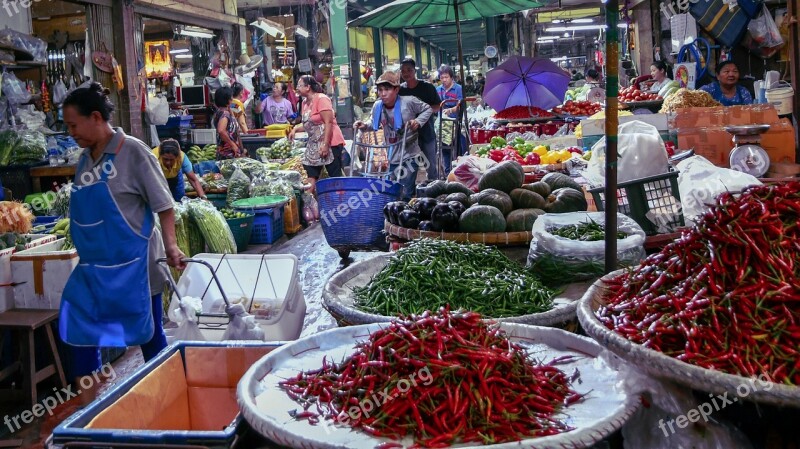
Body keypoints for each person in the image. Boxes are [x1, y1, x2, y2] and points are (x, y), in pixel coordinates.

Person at [59, 83, 185, 401]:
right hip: (97, 270)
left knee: (150, 335)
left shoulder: (134, 152)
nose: (71, 132)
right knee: (82, 335)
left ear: (96, 117)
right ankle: (91, 410)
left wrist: (171, 246)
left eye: (74, 124)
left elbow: (164, 205)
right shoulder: (86, 161)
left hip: (137, 267)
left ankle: (172, 400)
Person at [354, 71, 433, 201]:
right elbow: (373, 122)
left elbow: (427, 109)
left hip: (410, 155)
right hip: (392, 156)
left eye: (387, 89)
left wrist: (418, 122)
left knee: (406, 192)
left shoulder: (408, 102)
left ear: (396, 90)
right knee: (394, 191)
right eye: (380, 90)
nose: (383, 93)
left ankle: (406, 215)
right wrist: (364, 125)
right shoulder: (377, 106)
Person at [289, 75, 346, 194]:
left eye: (299, 85)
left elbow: (328, 122)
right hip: (314, 144)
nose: (297, 88)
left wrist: (325, 145)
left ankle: (341, 202)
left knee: (335, 176)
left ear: (308, 87)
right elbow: (308, 123)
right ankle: (310, 203)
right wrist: (295, 129)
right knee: (310, 172)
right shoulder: (304, 103)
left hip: (331, 142)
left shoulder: (321, 99)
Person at [399, 57, 441, 180]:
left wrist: (423, 114)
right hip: (409, 136)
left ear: (414, 71)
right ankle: (409, 193)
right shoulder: (400, 90)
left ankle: (434, 189)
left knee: (430, 165)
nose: (406, 73)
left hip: (427, 132)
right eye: (403, 71)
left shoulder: (427, 87)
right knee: (410, 167)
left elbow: (438, 106)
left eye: (409, 70)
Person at [436, 64, 467, 171]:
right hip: (443, 125)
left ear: (451, 77)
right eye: (442, 78)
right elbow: (436, 104)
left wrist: (451, 110)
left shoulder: (458, 89)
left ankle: (459, 170)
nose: (444, 80)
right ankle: (447, 171)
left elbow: (460, 104)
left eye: (446, 77)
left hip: (456, 123)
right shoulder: (438, 89)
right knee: (445, 148)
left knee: (458, 147)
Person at [213, 86, 245, 159]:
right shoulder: (225, 114)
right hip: (228, 153)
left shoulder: (221, 112)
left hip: (229, 152)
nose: (232, 99)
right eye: (231, 97)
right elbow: (221, 130)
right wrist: (232, 145)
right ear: (227, 99)